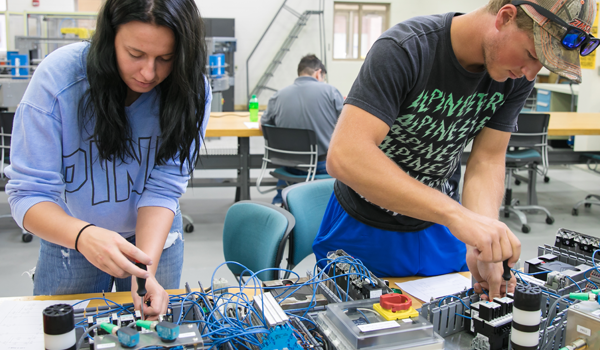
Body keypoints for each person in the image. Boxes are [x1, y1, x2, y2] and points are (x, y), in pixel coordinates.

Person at [313, 0, 597, 300]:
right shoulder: (405, 49)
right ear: (505, 17)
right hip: (364, 224)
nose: (530, 73)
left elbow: (487, 159)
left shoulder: (515, 76)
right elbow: (347, 156)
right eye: (531, 55)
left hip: (440, 227)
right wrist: (458, 217)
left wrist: (484, 243)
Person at [5, 0, 211, 319]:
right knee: (64, 333)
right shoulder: (59, 79)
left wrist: (145, 269)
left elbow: (164, 188)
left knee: (154, 327)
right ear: (109, 36)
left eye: (166, 59)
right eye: (135, 54)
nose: (148, 73)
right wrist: (82, 236)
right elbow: (28, 193)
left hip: (155, 235)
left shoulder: (189, 90)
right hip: (71, 235)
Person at [260, 54, 343, 205]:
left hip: (288, 167)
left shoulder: (278, 96)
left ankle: (281, 203)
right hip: (321, 167)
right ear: (319, 73)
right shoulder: (331, 92)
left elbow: (263, 125)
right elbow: (347, 124)